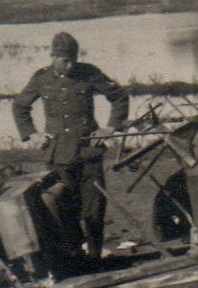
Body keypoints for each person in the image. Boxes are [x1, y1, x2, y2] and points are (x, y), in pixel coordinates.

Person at [12, 32, 129, 259]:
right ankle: (75, 254)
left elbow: (119, 96)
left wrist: (111, 127)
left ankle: (95, 254)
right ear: (53, 57)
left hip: (88, 152)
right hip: (58, 156)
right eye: (65, 60)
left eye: (73, 59)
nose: (70, 64)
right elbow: (19, 106)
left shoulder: (89, 73)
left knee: (94, 208)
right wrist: (31, 134)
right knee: (65, 208)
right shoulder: (41, 78)